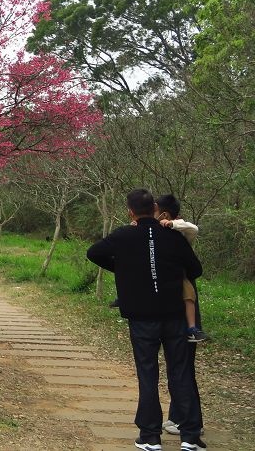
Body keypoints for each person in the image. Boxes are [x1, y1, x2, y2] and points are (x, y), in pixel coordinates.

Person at [87, 188, 204, 451]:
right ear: (153, 208)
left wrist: (127, 268)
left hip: (142, 318)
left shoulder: (123, 235)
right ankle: (190, 436)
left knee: (147, 373)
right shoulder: (173, 236)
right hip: (174, 315)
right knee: (181, 372)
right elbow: (196, 269)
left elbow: (94, 252)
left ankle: (150, 436)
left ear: (130, 211)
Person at [155, 194, 207, 442]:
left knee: (184, 367)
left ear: (164, 214)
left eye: (155, 211)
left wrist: (172, 225)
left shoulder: (179, 232)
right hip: (172, 306)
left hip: (185, 302)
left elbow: (192, 228)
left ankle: (191, 422)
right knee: (178, 368)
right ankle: (178, 416)